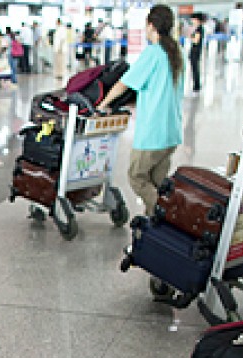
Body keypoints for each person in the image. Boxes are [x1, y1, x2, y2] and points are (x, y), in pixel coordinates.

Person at [98, 5, 184, 218]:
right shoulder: (176, 52)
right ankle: (153, 226)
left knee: (136, 177)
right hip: (171, 131)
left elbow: (124, 83)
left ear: (151, 26)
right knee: (157, 182)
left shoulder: (153, 53)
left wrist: (103, 103)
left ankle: (166, 214)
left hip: (152, 134)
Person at [189, 13, 205, 93]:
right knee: (195, 68)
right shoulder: (199, 28)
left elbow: (196, 41)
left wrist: (190, 36)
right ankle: (196, 84)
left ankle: (196, 85)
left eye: (193, 19)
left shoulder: (199, 29)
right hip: (196, 51)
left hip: (195, 51)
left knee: (195, 69)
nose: (192, 21)